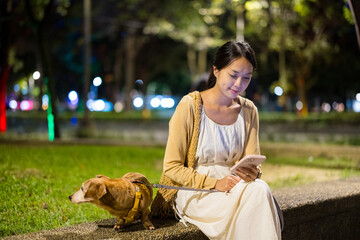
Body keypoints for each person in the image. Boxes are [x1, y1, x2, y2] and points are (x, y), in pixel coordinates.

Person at [151, 40, 282, 240]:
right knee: (257, 197)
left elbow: (252, 160)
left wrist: (252, 171)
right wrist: (215, 183)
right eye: (233, 75)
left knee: (259, 188)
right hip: (197, 190)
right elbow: (172, 167)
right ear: (216, 70)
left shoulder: (248, 110)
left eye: (246, 78)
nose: (239, 84)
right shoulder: (190, 106)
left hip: (237, 186)